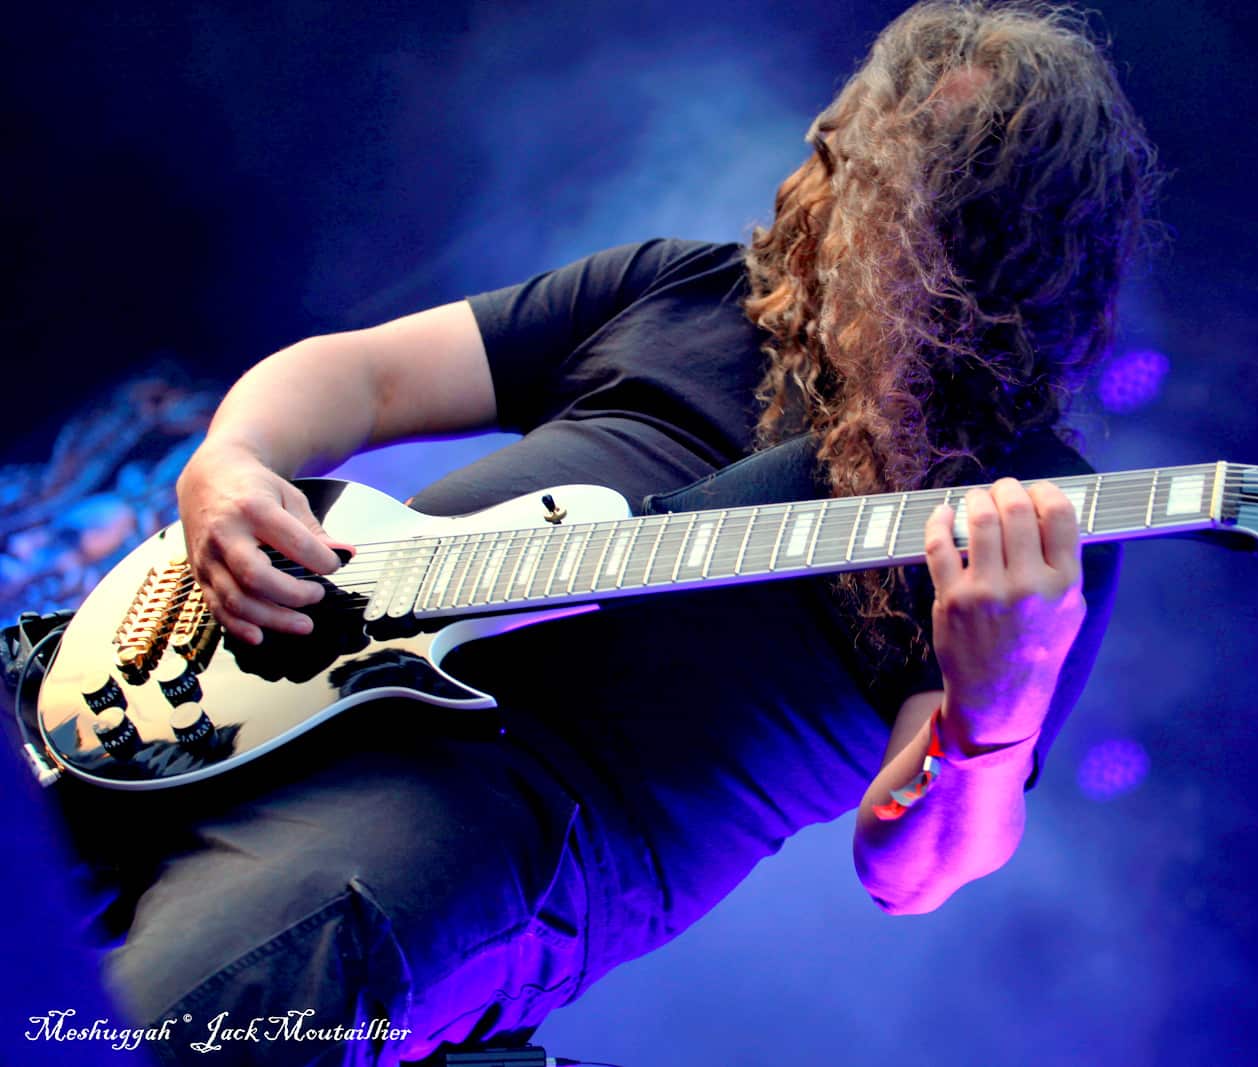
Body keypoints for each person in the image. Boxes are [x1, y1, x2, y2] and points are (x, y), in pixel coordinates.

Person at [60, 2, 1158, 1063]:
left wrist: (996, 709)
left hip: (492, 821)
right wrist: (232, 459)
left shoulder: (1031, 509)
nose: (829, 178)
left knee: (149, 1018)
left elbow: (910, 872)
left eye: (896, 175)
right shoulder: (689, 287)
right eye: (855, 145)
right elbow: (365, 374)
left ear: (1003, 253)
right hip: (249, 668)